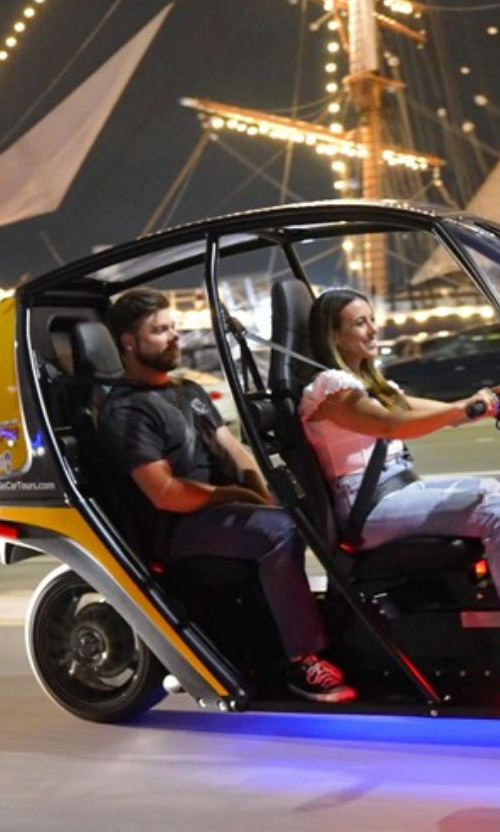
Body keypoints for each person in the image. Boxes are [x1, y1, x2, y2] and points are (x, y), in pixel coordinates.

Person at [97, 287, 356, 704]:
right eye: (160, 330)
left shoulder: (187, 392)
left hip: (214, 514)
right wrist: (236, 495)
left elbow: (236, 452)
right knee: (278, 533)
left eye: (174, 328)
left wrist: (264, 493)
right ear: (129, 342)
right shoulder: (127, 411)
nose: (174, 337)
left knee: (312, 516)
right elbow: (165, 493)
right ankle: (303, 660)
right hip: (177, 528)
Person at [300, 288, 500, 654]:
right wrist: (466, 406)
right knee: (495, 510)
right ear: (334, 336)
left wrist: (495, 402)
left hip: (401, 490)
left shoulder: (374, 386)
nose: (372, 330)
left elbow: (445, 414)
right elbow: (393, 426)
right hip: (367, 509)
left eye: (371, 320)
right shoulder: (331, 389)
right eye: (359, 323)